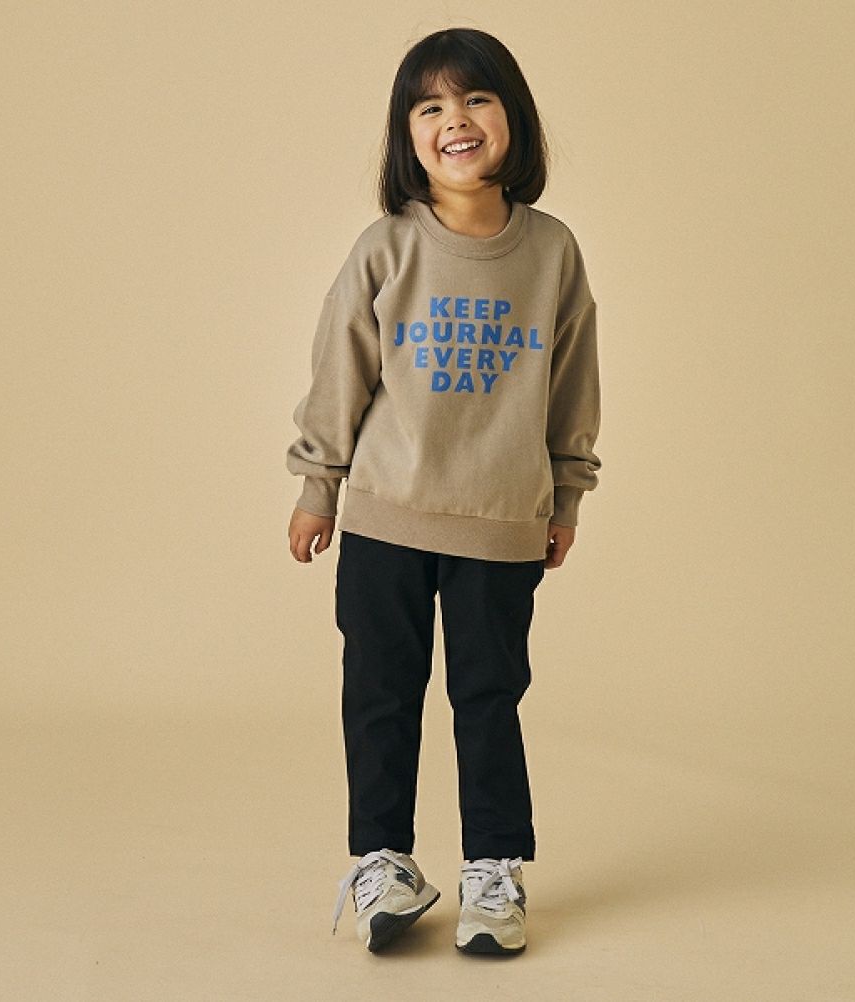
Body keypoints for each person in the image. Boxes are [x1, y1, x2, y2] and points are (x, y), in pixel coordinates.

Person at [286, 27, 601, 956]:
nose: (454, 120)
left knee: (488, 698)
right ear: (407, 135)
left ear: (513, 119)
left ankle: (493, 872)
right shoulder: (386, 248)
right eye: (430, 106)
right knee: (380, 695)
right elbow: (340, 370)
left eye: (476, 99)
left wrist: (567, 496)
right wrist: (318, 484)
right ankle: (383, 863)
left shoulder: (552, 251)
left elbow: (573, 384)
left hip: (501, 523)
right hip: (386, 514)